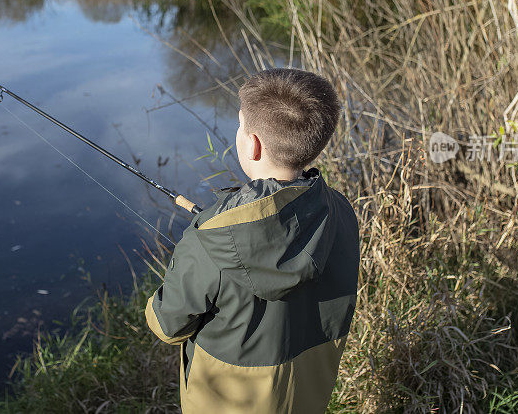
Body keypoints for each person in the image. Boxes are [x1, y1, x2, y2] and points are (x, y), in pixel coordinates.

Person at [144, 68, 360, 413]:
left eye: (240, 125)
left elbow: (167, 326)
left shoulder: (209, 239)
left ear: (254, 145)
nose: (238, 133)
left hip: (225, 403)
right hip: (306, 396)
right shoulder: (340, 212)